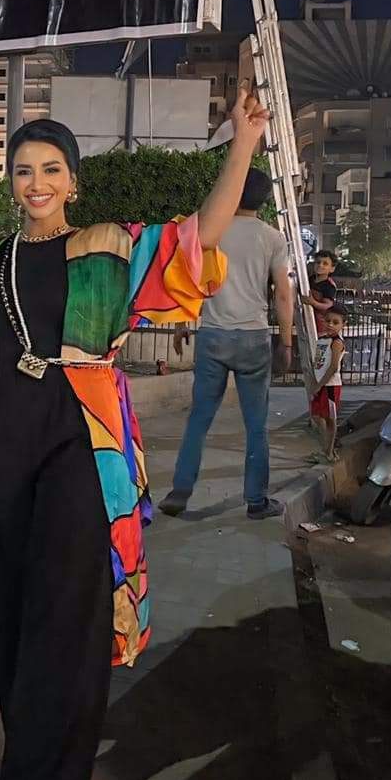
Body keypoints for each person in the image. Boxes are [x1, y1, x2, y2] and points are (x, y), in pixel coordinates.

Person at [0, 84, 270, 780]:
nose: (36, 183)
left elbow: (198, 239)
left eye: (50, 168)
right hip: (6, 457)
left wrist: (242, 145)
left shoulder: (106, 244)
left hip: (81, 449)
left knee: (63, 632)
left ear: (74, 180)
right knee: (15, 631)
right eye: (23, 170)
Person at [159, 168, 295, 522]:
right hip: (253, 338)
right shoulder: (272, 238)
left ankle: (179, 492)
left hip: (212, 335)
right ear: (265, 199)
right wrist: (286, 342)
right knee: (256, 425)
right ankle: (256, 501)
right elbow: (283, 293)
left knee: (199, 418)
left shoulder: (209, 230)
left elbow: (188, 280)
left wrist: (181, 325)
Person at [310, 304, 346, 462]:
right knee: (317, 416)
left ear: (343, 324)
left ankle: (329, 452)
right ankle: (326, 449)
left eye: (335, 322)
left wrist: (319, 385)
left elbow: (333, 367)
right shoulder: (323, 340)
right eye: (328, 321)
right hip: (321, 383)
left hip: (330, 385)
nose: (331, 324)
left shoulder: (337, 343)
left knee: (329, 418)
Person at [301, 249, 338, 336]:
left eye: (325, 263)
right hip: (307, 320)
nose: (320, 265)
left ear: (332, 269)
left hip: (321, 325)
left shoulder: (329, 286)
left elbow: (328, 306)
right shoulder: (310, 279)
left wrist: (313, 302)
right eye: (318, 262)